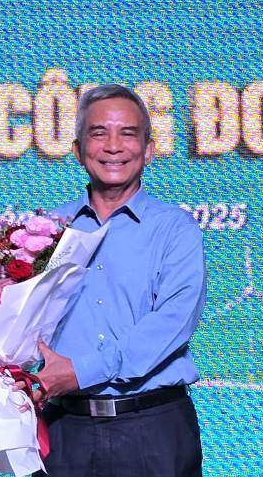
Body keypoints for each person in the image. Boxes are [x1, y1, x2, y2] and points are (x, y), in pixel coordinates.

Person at [33, 84, 207, 477]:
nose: (113, 146)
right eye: (99, 133)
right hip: (64, 430)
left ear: (148, 149)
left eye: (128, 133)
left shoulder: (176, 229)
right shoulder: (44, 230)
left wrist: (81, 372)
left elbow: (170, 325)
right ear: (78, 150)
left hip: (152, 429)